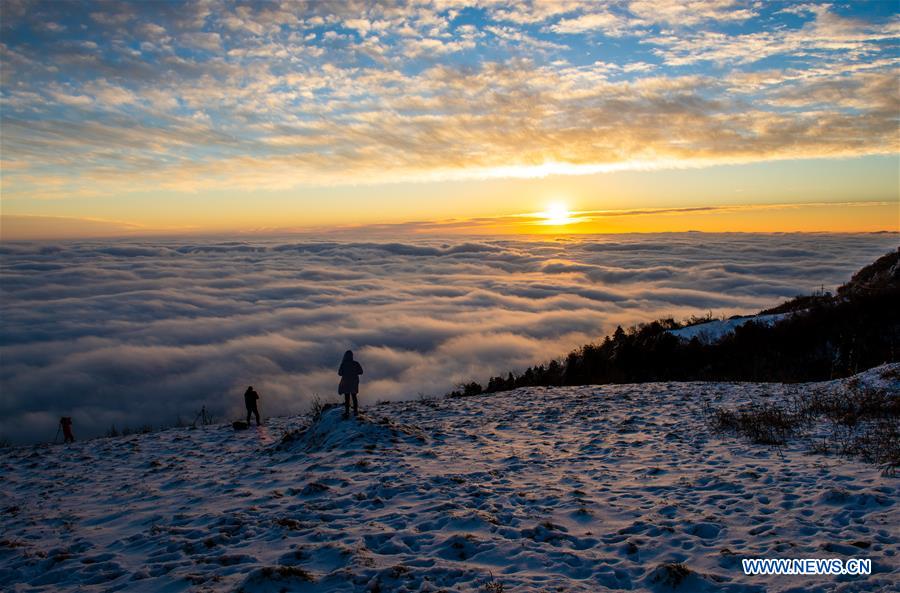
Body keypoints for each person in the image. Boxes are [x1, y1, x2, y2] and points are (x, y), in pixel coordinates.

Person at [338, 350, 364, 418]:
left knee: (347, 397)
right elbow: (361, 372)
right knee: (354, 396)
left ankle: (347, 412)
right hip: (354, 382)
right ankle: (355, 411)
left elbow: (340, 373)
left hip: (346, 382)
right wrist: (354, 372)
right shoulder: (356, 363)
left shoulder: (343, 364)